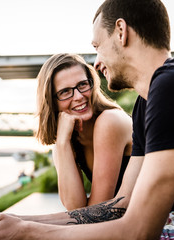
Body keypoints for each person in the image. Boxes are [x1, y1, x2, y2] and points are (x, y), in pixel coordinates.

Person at [0, 0, 174, 239]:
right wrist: (22, 220)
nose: (97, 61)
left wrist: (30, 232)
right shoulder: (145, 104)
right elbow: (121, 204)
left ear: (121, 31)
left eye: (96, 46)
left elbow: (139, 230)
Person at [35, 53, 132, 210]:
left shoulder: (110, 121)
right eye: (65, 91)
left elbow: (97, 210)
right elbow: (75, 208)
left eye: (82, 84)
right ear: (51, 101)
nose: (79, 96)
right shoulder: (66, 142)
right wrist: (62, 142)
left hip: (170, 221)